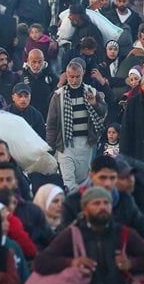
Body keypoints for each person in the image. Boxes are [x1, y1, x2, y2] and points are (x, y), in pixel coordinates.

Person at [46, 59, 109, 188]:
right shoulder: (58, 96)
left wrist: (95, 104)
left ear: (82, 75)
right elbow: (51, 124)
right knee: (68, 182)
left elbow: (103, 111)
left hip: (86, 143)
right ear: (66, 76)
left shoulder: (91, 91)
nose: (74, 80)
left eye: (77, 77)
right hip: (65, 144)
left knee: (84, 181)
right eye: (71, 77)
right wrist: (50, 148)